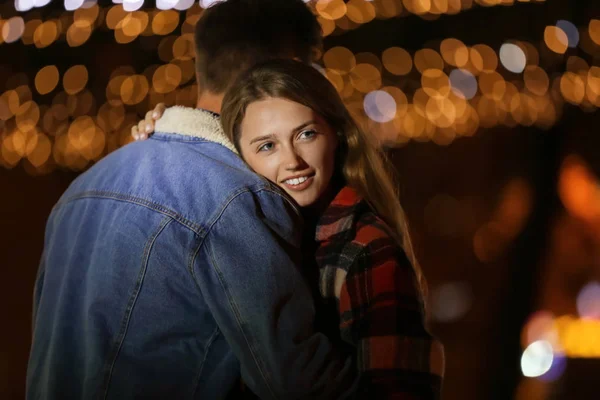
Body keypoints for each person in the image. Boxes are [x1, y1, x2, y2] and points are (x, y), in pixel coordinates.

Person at [27, 1, 358, 399]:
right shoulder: (239, 196)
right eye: (311, 75)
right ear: (282, 75)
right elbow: (298, 384)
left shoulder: (80, 189)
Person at [136, 59, 445, 398]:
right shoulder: (243, 238)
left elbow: (399, 390)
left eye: (306, 134)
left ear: (337, 136)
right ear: (239, 158)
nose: (292, 160)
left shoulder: (366, 247)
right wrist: (161, 133)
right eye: (267, 146)